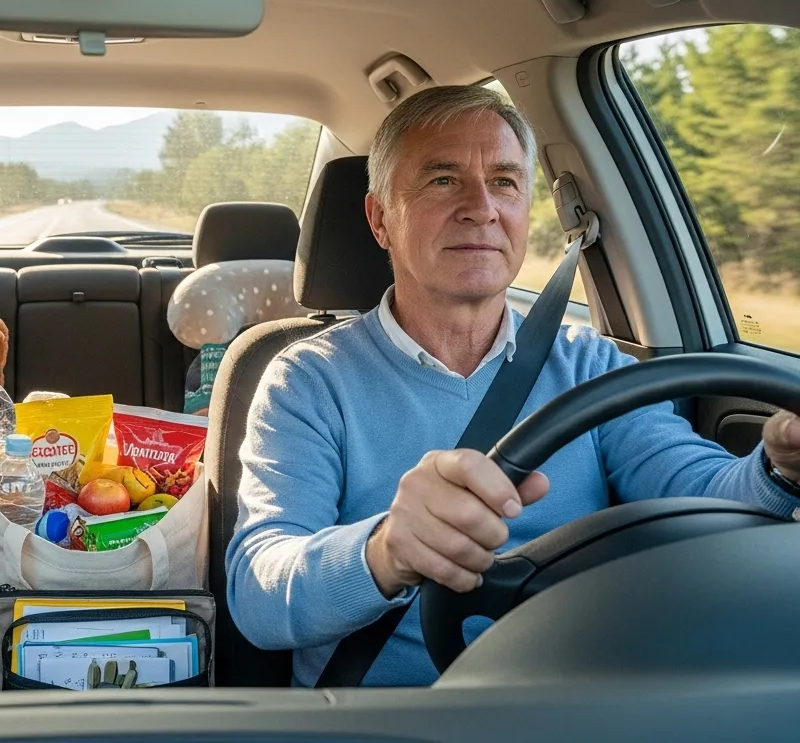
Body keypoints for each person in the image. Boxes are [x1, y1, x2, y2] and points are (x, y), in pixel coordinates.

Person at [225, 85, 800, 688]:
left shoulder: (592, 367)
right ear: (380, 220)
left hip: (569, 707)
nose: (481, 207)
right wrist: (387, 550)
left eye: (504, 181)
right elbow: (260, 591)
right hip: (383, 718)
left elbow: (703, 494)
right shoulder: (308, 380)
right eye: (443, 180)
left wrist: (780, 467)